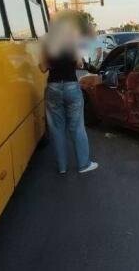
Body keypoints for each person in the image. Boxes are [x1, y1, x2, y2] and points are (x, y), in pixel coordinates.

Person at [39, 18, 98, 175]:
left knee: (57, 129)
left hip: (53, 87)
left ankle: (62, 167)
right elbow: (79, 64)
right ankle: (83, 165)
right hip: (71, 86)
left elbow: (42, 68)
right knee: (77, 126)